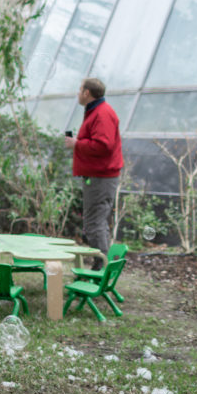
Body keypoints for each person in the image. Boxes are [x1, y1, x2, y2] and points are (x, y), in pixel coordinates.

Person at [65, 78, 123, 269]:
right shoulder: (96, 111)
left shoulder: (102, 113)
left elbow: (103, 146)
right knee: (96, 222)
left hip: (101, 178)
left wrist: (76, 144)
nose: (77, 93)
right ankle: (100, 267)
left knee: (94, 223)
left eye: (79, 89)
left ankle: (100, 269)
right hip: (97, 176)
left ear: (87, 93)